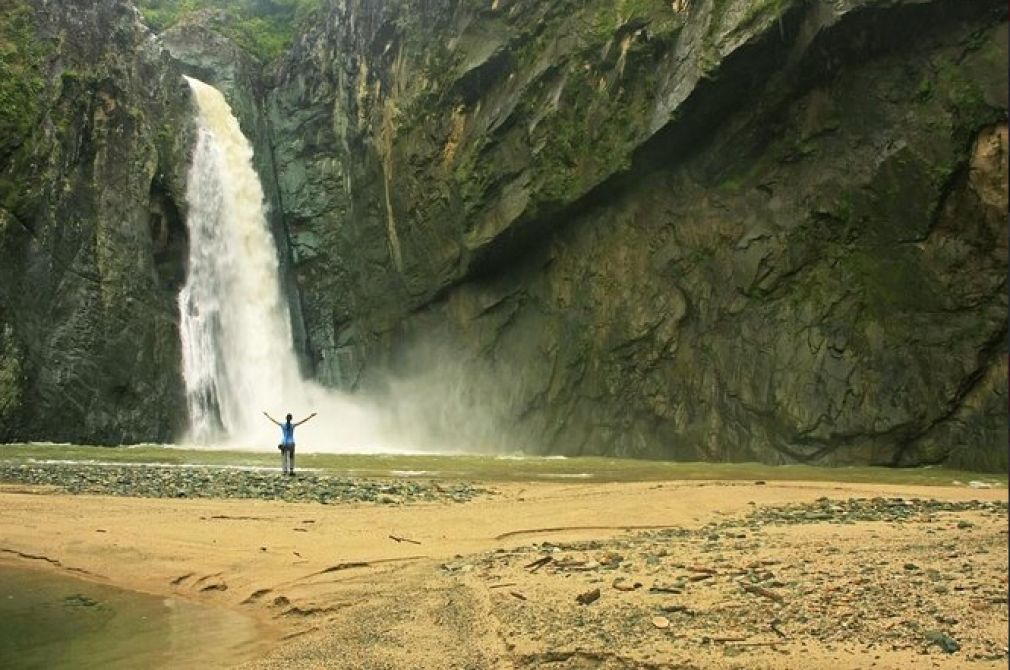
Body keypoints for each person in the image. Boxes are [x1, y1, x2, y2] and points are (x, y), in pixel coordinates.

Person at [262, 411, 317, 476]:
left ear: (286, 418)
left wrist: (267, 415)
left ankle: (285, 471)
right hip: (291, 443)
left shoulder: (283, 425)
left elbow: (274, 421)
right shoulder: (292, 426)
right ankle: (291, 471)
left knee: (284, 457)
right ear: (291, 419)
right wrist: (311, 416)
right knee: (291, 457)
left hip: (284, 443)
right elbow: (302, 421)